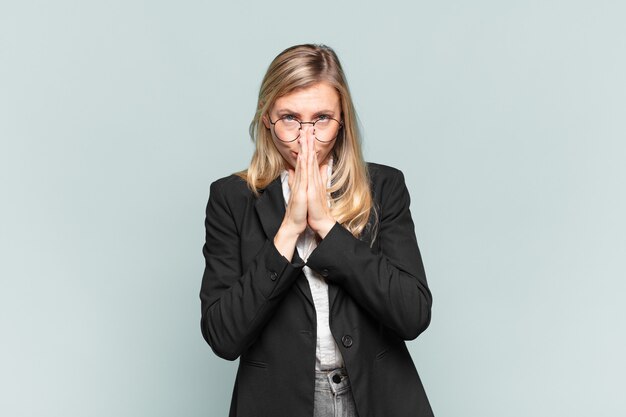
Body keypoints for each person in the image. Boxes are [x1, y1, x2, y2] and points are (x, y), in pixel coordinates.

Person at [200, 44, 434, 417]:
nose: (305, 138)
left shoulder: (383, 187)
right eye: (290, 118)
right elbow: (224, 336)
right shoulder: (231, 198)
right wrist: (288, 232)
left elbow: (413, 314)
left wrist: (326, 226)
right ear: (266, 120)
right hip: (278, 400)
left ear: (342, 122)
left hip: (377, 395)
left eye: (322, 118)